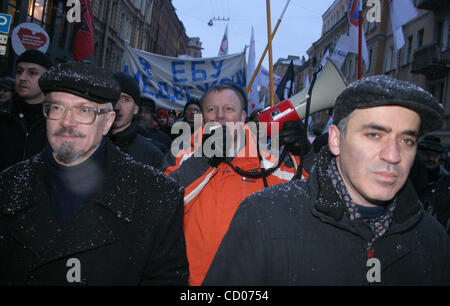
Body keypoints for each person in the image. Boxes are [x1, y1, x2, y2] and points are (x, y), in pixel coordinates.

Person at [203, 75, 450, 285]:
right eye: (374, 135)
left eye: (407, 140)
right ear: (335, 140)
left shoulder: (434, 239)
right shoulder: (263, 217)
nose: (393, 155)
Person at [0, 62, 188, 285]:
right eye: (58, 108)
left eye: (84, 110)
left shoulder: (157, 196)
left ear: (107, 122)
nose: (67, 123)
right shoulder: (8, 185)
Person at [164, 83, 309, 286]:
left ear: (242, 118)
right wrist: (204, 159)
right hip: (193, 281)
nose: (220, 116)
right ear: (203, 118)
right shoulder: (182, 154)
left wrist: (305, 156)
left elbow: (310, 200)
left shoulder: (268, 161)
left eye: (229, 109)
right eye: (211, 109)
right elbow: (163, 202)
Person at [0, 49, 52, 172]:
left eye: (32, 73)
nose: (22, 77)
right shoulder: (4, 114)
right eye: (19, 71)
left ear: (46, 78)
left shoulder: (57, 120)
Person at [110, 72, 164, 168]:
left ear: (136, 108)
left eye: (125, 100)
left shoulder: (152, 156)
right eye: (114, 97)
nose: (117, 107)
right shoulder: (88, 143)